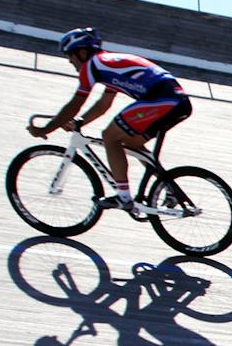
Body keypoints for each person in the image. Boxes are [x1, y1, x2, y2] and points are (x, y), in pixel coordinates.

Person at [28, 27, 192, 211]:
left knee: (109, 136)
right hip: (177, 102)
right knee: (131, 143)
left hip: (163, 99)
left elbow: (75, 104)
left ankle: (123, 197)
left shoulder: (92, 65)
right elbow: (104, 104)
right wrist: (79, 122)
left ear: (82, 52)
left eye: (70, 56)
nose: (70, 62)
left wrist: (45, 129)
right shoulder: (108, 65)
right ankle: (169, 188)